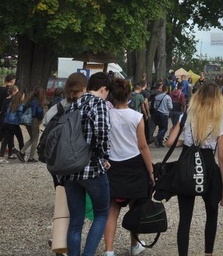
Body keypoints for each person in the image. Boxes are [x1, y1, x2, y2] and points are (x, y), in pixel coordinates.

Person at [165, 81, 223, 256]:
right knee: (212, 213)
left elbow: (170, 142)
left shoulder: (186, 117)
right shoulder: (220, 123)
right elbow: (222, 158)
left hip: (187, 166)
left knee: (185, 219)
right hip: (208, 168)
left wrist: (186, 141)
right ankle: (208, 253)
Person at [60, 72, 111, 256]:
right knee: (102, 213)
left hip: (69, 170)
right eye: (107, 92)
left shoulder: (72, 104)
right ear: (104, 89)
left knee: (76, 221)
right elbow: (102, 133)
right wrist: (104, 157)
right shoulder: (99, 104)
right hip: (91, 169)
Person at [103, 79, 153, 256]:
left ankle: (109, 250)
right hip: (134, 164)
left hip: (112, 164)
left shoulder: (107, 115)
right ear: (129, 95)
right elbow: (142, 146)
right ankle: (134, 245)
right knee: (135, 208)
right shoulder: (136, 116)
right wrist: (151, 170)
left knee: (112, 210)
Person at [0, 86, 25, 163]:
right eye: (23, 96)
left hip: (7, 123)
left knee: (6, 140)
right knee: (20, 139)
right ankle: (22, 155)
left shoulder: (11, 103)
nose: (24, 97)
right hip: (14, 124)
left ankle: (1, 157)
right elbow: (20, 116)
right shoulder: (19, 105)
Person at [20, 86, 46, 162]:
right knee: (35, 139)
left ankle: (22, 151)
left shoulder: (29, 100)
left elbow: (24, 108)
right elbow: (39, 112)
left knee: (32, 138)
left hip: (27, 120)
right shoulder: (37, 102)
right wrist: (40, 119)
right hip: (34, 120)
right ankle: (31, 157)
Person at [152, 83, 172, 147]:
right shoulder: (168, 97)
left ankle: (159, 143)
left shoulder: (157, 97)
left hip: (157, 113)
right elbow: (170, 107)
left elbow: (154, 106)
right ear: (167, 90)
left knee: (160, 127)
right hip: (164, 113)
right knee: (164, 128)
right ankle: (157, 138)